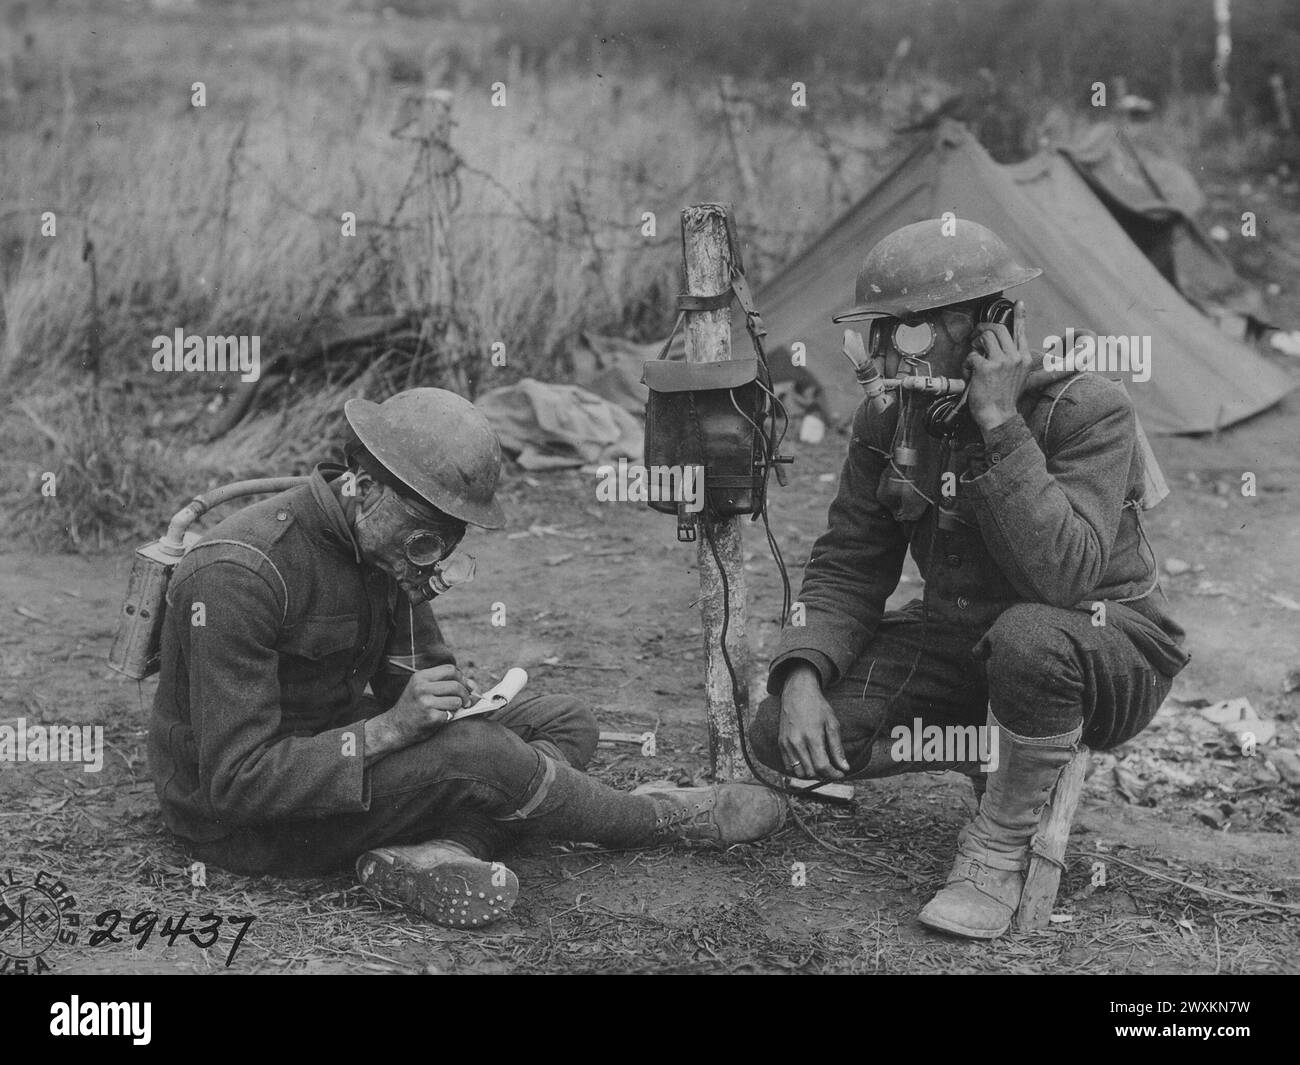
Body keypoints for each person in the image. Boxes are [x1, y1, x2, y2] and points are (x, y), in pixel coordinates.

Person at [148, 388, 782, 929]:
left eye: (446, 545)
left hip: (339, 750)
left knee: (560, 721)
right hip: (247, 822)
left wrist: (453, 701)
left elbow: (419, 675)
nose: (431, 560)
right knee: (481, 759)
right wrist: (392, 730)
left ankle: (447, 848)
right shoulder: (238, 574)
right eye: (422, 538)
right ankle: (658, 819)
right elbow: (236, 784)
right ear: (364, 488)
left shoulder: (380, 545)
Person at [749, 219, 1190, 939]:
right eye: (885, 331)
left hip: (1104, 649)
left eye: (915, 332)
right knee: (778, 732)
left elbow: (1066, 573)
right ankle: (989, 747)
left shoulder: (1084, 409)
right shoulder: (887, 419)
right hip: (965, 643)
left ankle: (996, 848)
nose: (894, 352)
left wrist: (998, 422)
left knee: (1030, 639)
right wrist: (799, 674)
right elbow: (849, 561)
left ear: (989, 327)